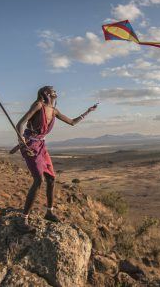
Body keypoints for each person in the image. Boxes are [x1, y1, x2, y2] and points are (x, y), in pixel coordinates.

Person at [15, 85, 97, 230]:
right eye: (53, 91)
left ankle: (49, 212)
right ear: (46, 93)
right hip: (30, 146)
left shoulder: (54, 111)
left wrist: (88, 112)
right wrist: (22, 144)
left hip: (41, 145)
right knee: (38, 180)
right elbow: (20, 124)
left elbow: (72, 122)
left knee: (51, 178)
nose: (56, 93)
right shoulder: (38, 105)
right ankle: (23, 219)